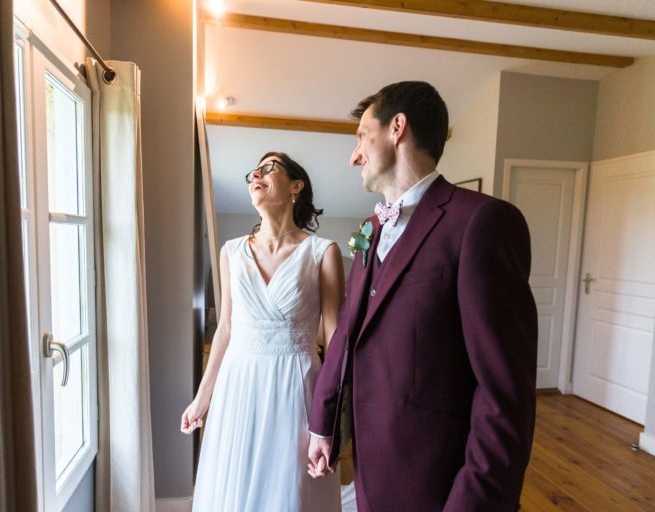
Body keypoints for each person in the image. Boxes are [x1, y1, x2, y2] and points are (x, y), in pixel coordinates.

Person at [307, 81, 538, 511]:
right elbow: (348, 333)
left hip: (439, 480)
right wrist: (325, 425)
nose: (354, 155)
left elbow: (504, 392)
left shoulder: (482, 222)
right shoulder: (370, 230)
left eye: (361, 136)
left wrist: (474, 502)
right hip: (371, 470)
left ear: (397, 127)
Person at [181, 152, 344, 511]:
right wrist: (202, 398)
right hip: (239, 384)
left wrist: (331, 418)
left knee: (287, 490)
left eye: (270, 168)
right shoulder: (231, 252)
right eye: (253, 171)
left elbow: (335, 342)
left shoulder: (323, 252)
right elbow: (225, 329)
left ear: (296, 186)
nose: (256, 173)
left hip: (296, 384)